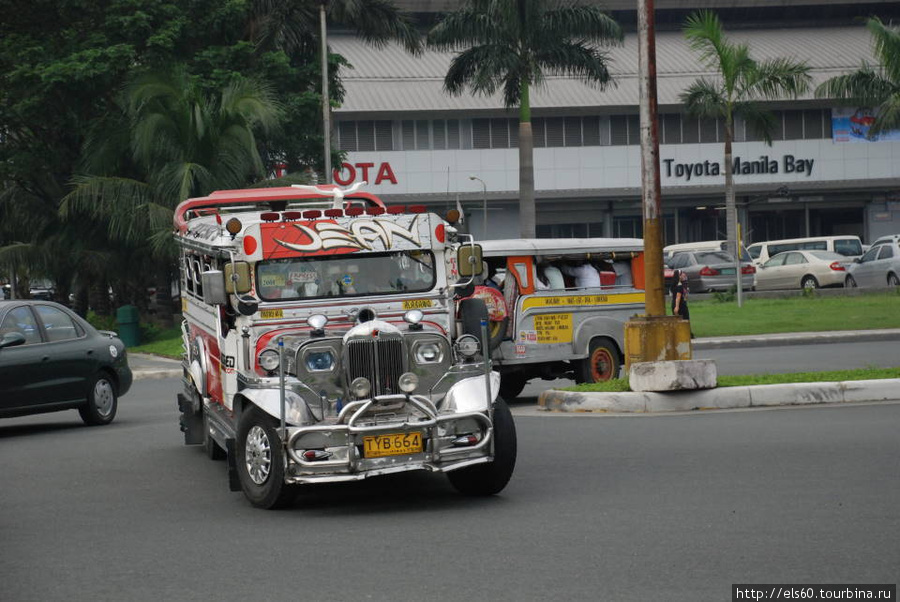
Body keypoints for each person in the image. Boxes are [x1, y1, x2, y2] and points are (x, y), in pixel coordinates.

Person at [671, 269, 694, 337]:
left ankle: (679, 334)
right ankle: (687, 334)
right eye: (681, 274)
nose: (683, 275)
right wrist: (677, 307)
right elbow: (678, 296)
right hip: (680, 305)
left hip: (674, 304)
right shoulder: (680, 286)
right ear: (678, 276)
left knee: (677, 320)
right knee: (685, 319)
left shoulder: (674, 285)